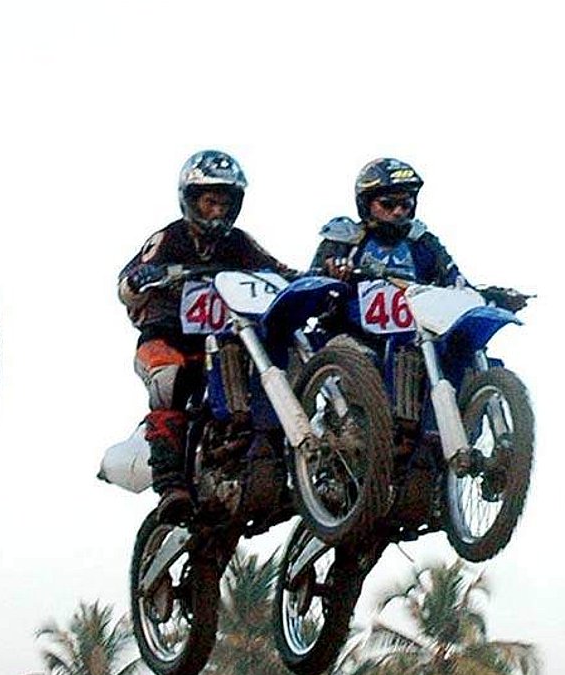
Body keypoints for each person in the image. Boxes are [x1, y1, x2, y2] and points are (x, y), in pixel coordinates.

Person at [118, 150, 296, 523]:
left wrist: (302, 279)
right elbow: (126, 282)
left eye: (225, 203)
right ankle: (171, 486)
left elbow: (276, 269)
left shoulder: (240, 243)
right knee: (169, 377)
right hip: (167, 338)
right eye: (210, 201)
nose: (218, 211)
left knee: (279, 363)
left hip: (228, 343)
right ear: (191, 200)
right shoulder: (170, 237)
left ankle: (278, 464)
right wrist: (141, 279)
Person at [310, 157, 463, 287]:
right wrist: (330, 271)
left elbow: (457, 283)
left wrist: (482, 297)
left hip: (416, 320)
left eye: (405, 204)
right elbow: (309, 284)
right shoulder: (343, 237)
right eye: (387, 204)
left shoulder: (423, 242)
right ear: (366, 204)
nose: (398, 211)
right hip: (345, 320)